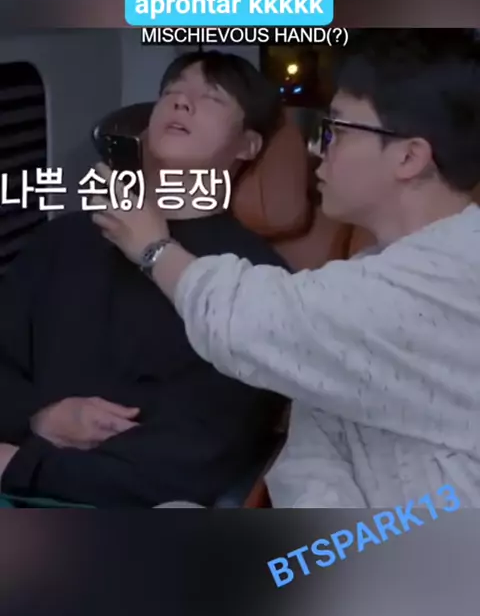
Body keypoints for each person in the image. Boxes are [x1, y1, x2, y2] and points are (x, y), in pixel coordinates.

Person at [56, 29, 480, 509]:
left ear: (408, 156)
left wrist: (154, 248)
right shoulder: (373, 271)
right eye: (170, 93)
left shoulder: (455, 280)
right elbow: (312, 448)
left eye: (336, 130)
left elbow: (250, 320)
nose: (317, 148)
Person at [0, 51, 288, 507]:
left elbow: (196, 462)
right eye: (171, 92)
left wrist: (20, 465)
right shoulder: (62, 238)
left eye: (212, 98)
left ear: (248, 145)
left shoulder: (258, 282)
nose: (181, 102)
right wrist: (40, 417)